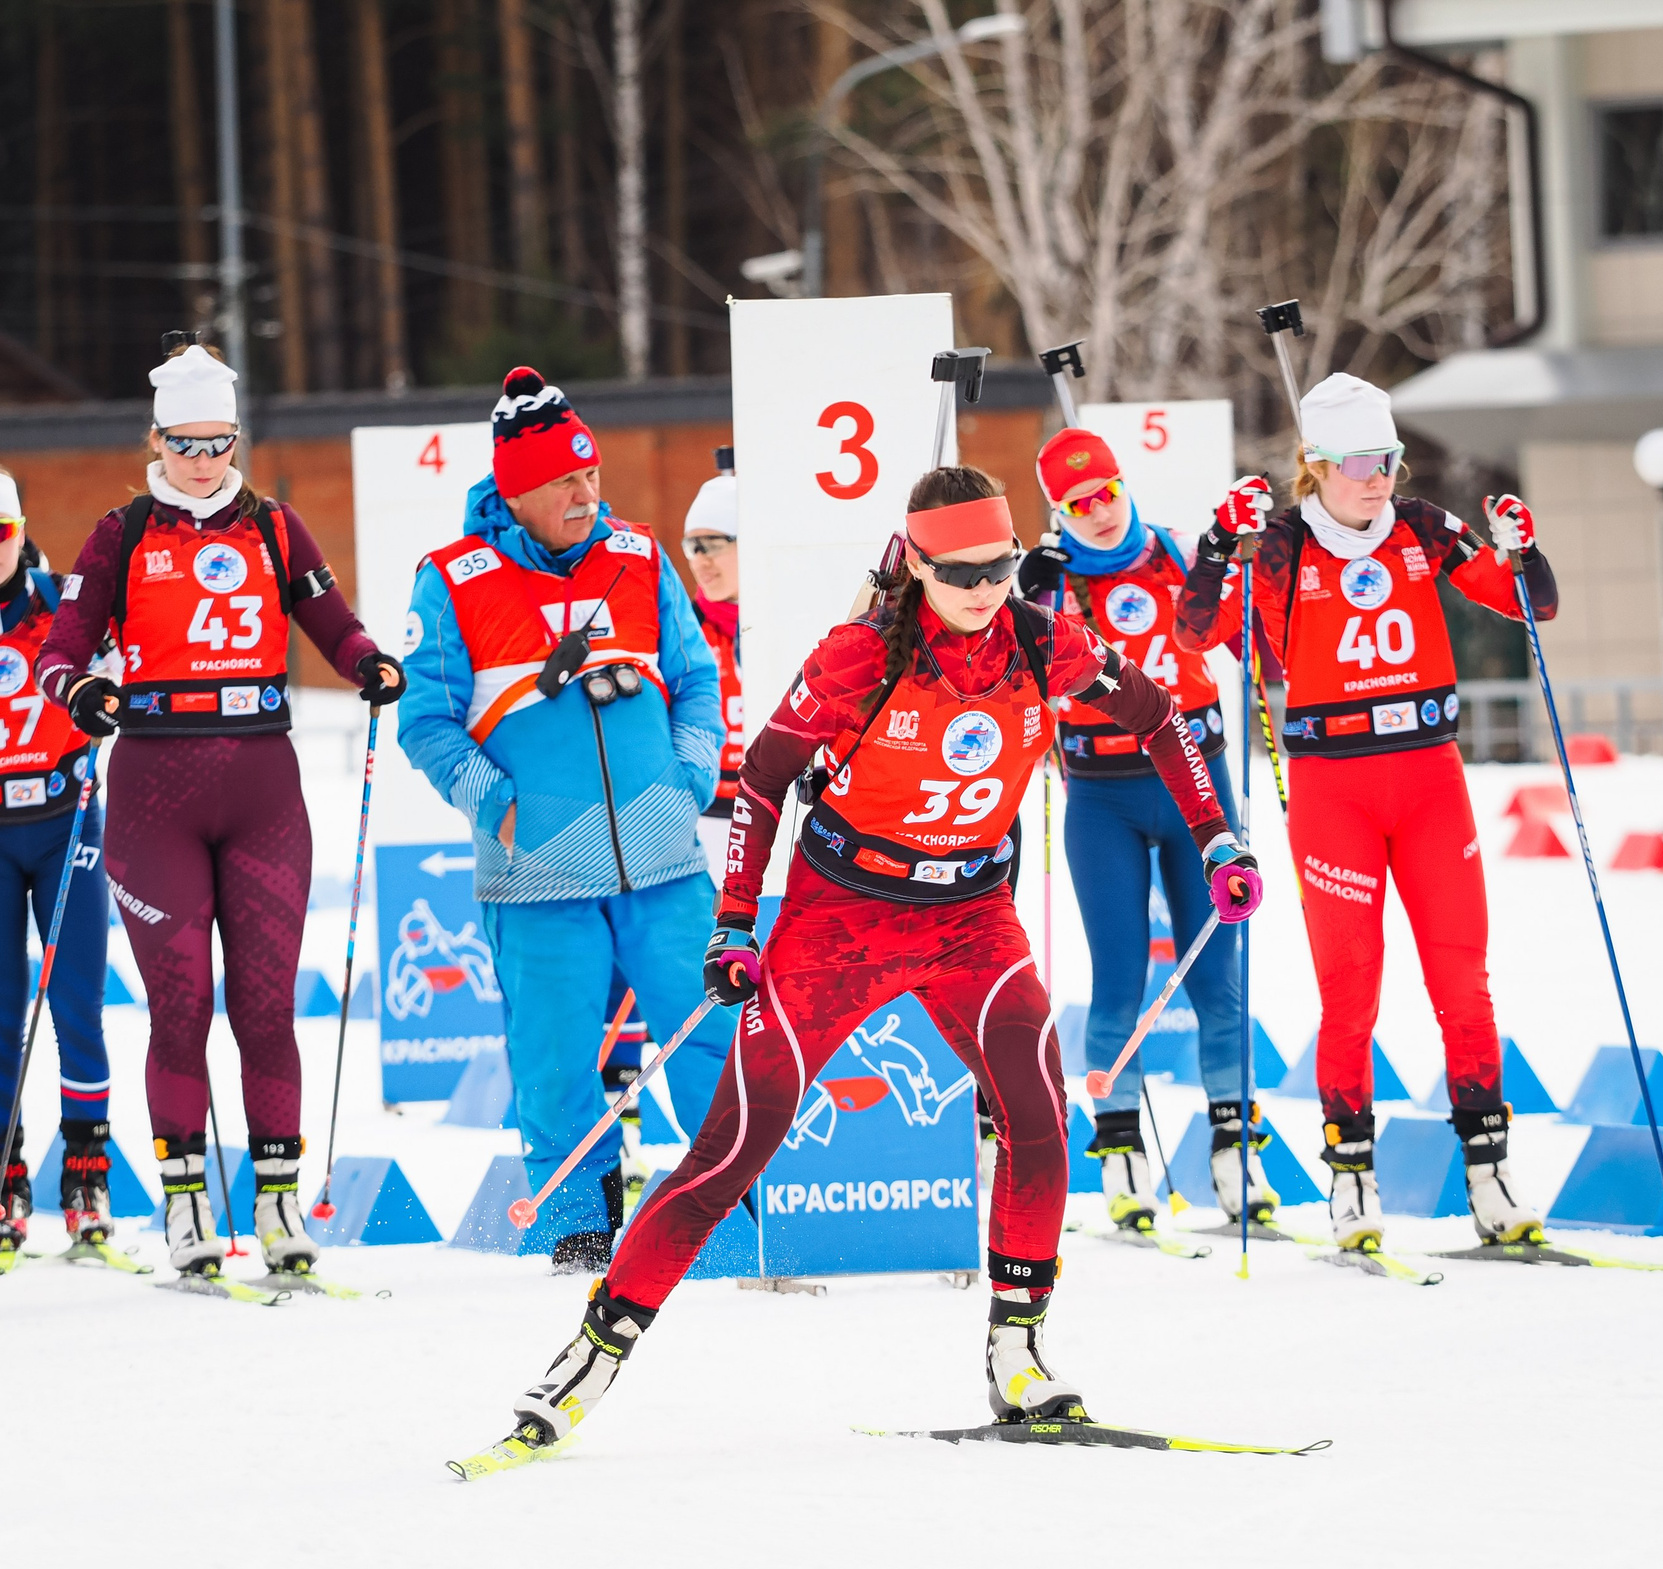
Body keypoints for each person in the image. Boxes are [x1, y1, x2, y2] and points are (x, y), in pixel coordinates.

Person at [466, 465, 1262, 1468]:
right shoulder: (861, 652)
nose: (983, 588)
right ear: (917, 563)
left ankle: (1018, 1353)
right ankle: (590, 1355)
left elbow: (1159, 718)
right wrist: (735, 923)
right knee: (733, 1148)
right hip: (840, 918)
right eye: (960, 570)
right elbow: (763, 779)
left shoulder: (1044, 639)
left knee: (1037, 1111)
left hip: (970, 916)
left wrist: (1216, 836)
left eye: (1000, 565)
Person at [35, 338, 404, 1281]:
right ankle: (187, 1201)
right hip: (154, 793)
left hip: (262, 787)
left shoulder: (275, 526)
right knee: (181, 1006)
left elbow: (332, 621)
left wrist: (367, 662)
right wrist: (82, 691)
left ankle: (279, 1202)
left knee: (267, 1005)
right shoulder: (120, 533)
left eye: (218, 443)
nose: (202, 462)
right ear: (155, 439)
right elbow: (59, 650)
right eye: (184, 444)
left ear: (236, 438)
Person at [1181, 372, 1556, 1256]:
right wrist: (1216, 543)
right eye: (1356, 462)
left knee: (1462, 981)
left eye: (1386, 458)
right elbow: (1196, 633)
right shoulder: (1279, 546)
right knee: (1350, 993)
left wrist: (1523, 548)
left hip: (1429, 778)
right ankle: (1352, 1174)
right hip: (1334, 789)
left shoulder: (1422, 526)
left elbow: (1529, 603)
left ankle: (1489, 1172)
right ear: (1314, 465)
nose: (1376, 477)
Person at [398, 367, 733, 1275]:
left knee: (709, 1037)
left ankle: (732, 1214)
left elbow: (695, 678)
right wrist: (498, 808)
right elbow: (425, 722)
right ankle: (580, 1232)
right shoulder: (451, 580)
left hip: (664, 860)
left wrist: (691, 771)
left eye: (591, 474)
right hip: (537, 874)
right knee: (554, 1060)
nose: (585, 494)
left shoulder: (639, 555)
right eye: (563, 482)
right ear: (515, 490)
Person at [1019, 428, 1264, 1237]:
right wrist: (1028, 597)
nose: (1098, 511)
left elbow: (1242, 636)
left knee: (1217, 977)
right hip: (1103, 796)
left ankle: (1235, 1153)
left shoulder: (1178, 552)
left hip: (1196, 780)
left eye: (1108, 492)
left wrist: (1239, 565)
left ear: (1126, 484)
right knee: (1119, 978)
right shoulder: (1051, 578)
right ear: (1058, 510)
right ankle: (1121, 1155)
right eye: (1077, 502)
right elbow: (1018, 675)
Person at [0, 464, 118, 1261]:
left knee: (77, 1005)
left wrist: (108, 690)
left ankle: (87, 1176)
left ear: (20, 530)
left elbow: (125, 660)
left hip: (62, 818)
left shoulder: (65, 602)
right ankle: (2, 1180)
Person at [680, 449, 744, 827]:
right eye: (693, 546)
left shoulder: (784, 620)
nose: (701, 560)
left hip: (775, 805)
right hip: (704, 809)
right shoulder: (684, 625)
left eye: (714, 544)